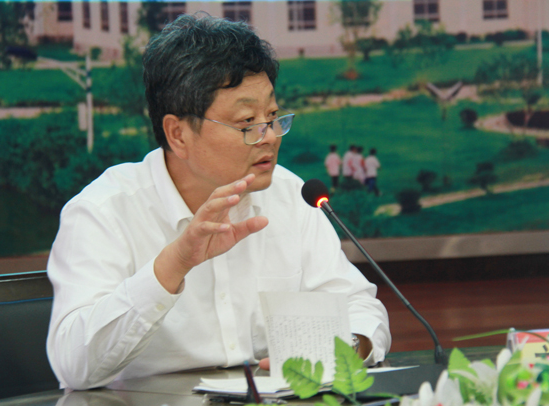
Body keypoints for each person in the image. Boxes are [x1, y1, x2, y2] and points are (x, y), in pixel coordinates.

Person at [46, 13, 391, 391]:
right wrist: (174, 264)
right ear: (178, 134)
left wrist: (346, 347)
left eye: (273, 116)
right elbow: (73, 366)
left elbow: (359, 307)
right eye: (247, 124)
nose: (270, 136)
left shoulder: (291, 196)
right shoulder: (103, 212)